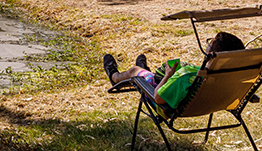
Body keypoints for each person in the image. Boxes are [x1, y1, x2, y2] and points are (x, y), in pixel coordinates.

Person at [103, 32, 245, 109]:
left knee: (135, 72)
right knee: (146, 72)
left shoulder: (188, 75)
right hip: (209, 104)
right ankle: (145, 69)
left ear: (212, 55)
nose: (207, 45)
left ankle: (114, 76)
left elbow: (158, 98)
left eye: (210, 43)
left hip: (167, 101)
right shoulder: (232, 78)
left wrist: (168, 75)